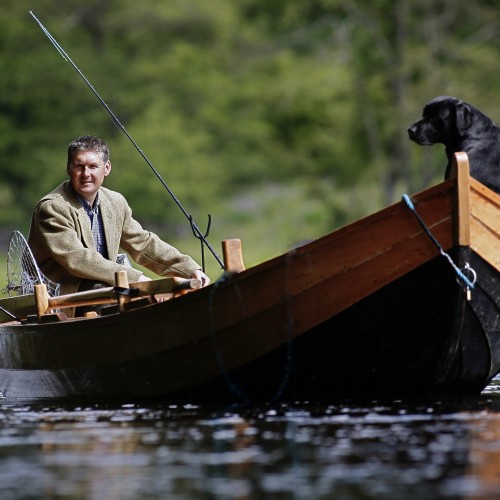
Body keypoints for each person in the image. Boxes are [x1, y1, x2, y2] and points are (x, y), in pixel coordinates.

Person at [28, 135, 210, 306]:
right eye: (79, 166)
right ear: (68, 168)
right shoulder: (52, 208)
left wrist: (189, 269)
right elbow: (78, 259)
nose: (86, 174)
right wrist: (137, 279)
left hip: (107, 285)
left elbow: (143, 243)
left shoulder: (115, 202)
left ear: (106, 168)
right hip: (62, 296)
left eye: (93, 166)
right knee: (130, 297)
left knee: (154, 298)